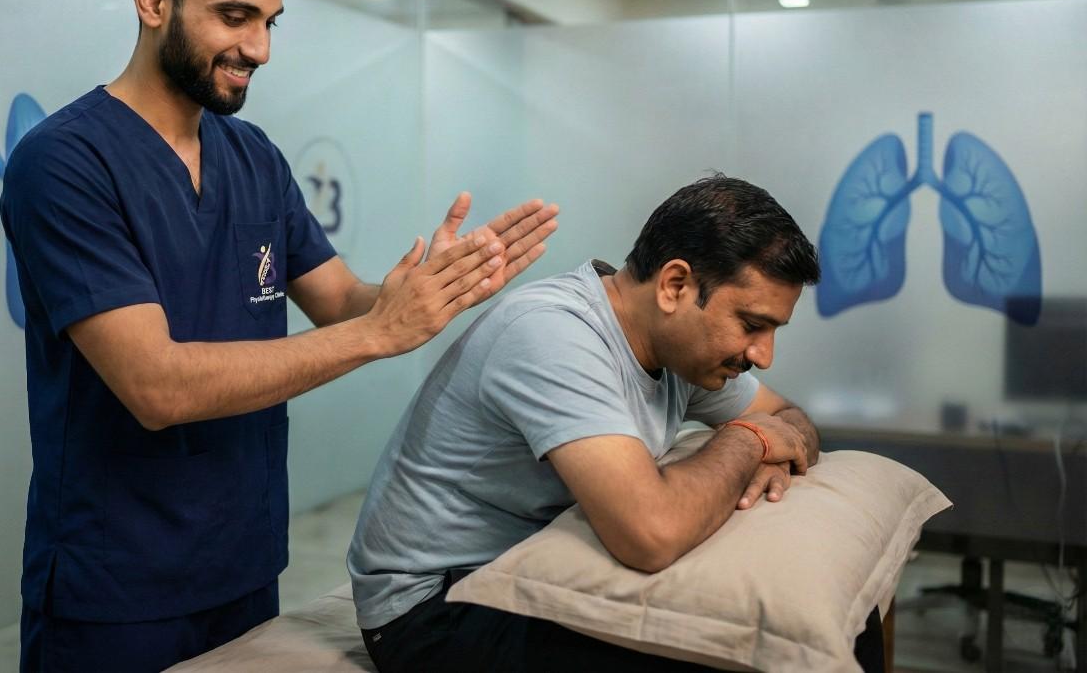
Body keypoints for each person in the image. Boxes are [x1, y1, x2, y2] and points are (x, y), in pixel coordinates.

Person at [0, 0, 558, 673]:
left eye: (269, 22)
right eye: (234, 17)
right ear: (152, 0)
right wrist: (375, 333)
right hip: (116, 582)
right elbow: (155, 386)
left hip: (245, 564)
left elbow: (339, 300)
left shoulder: (253, 156)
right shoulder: (64, 164)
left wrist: (434, 288)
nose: (259, 48)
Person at [347, 175, 886, 673]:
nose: (763, 355)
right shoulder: (554, 335)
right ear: (675, 285)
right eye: (752, 325)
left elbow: (790, 418)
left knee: (833, 618)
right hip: (438, 608)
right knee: (766, 656)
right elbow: (651, 534)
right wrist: (751, 440)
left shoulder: (686, 350)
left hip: (530, 570)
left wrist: (775, 435)